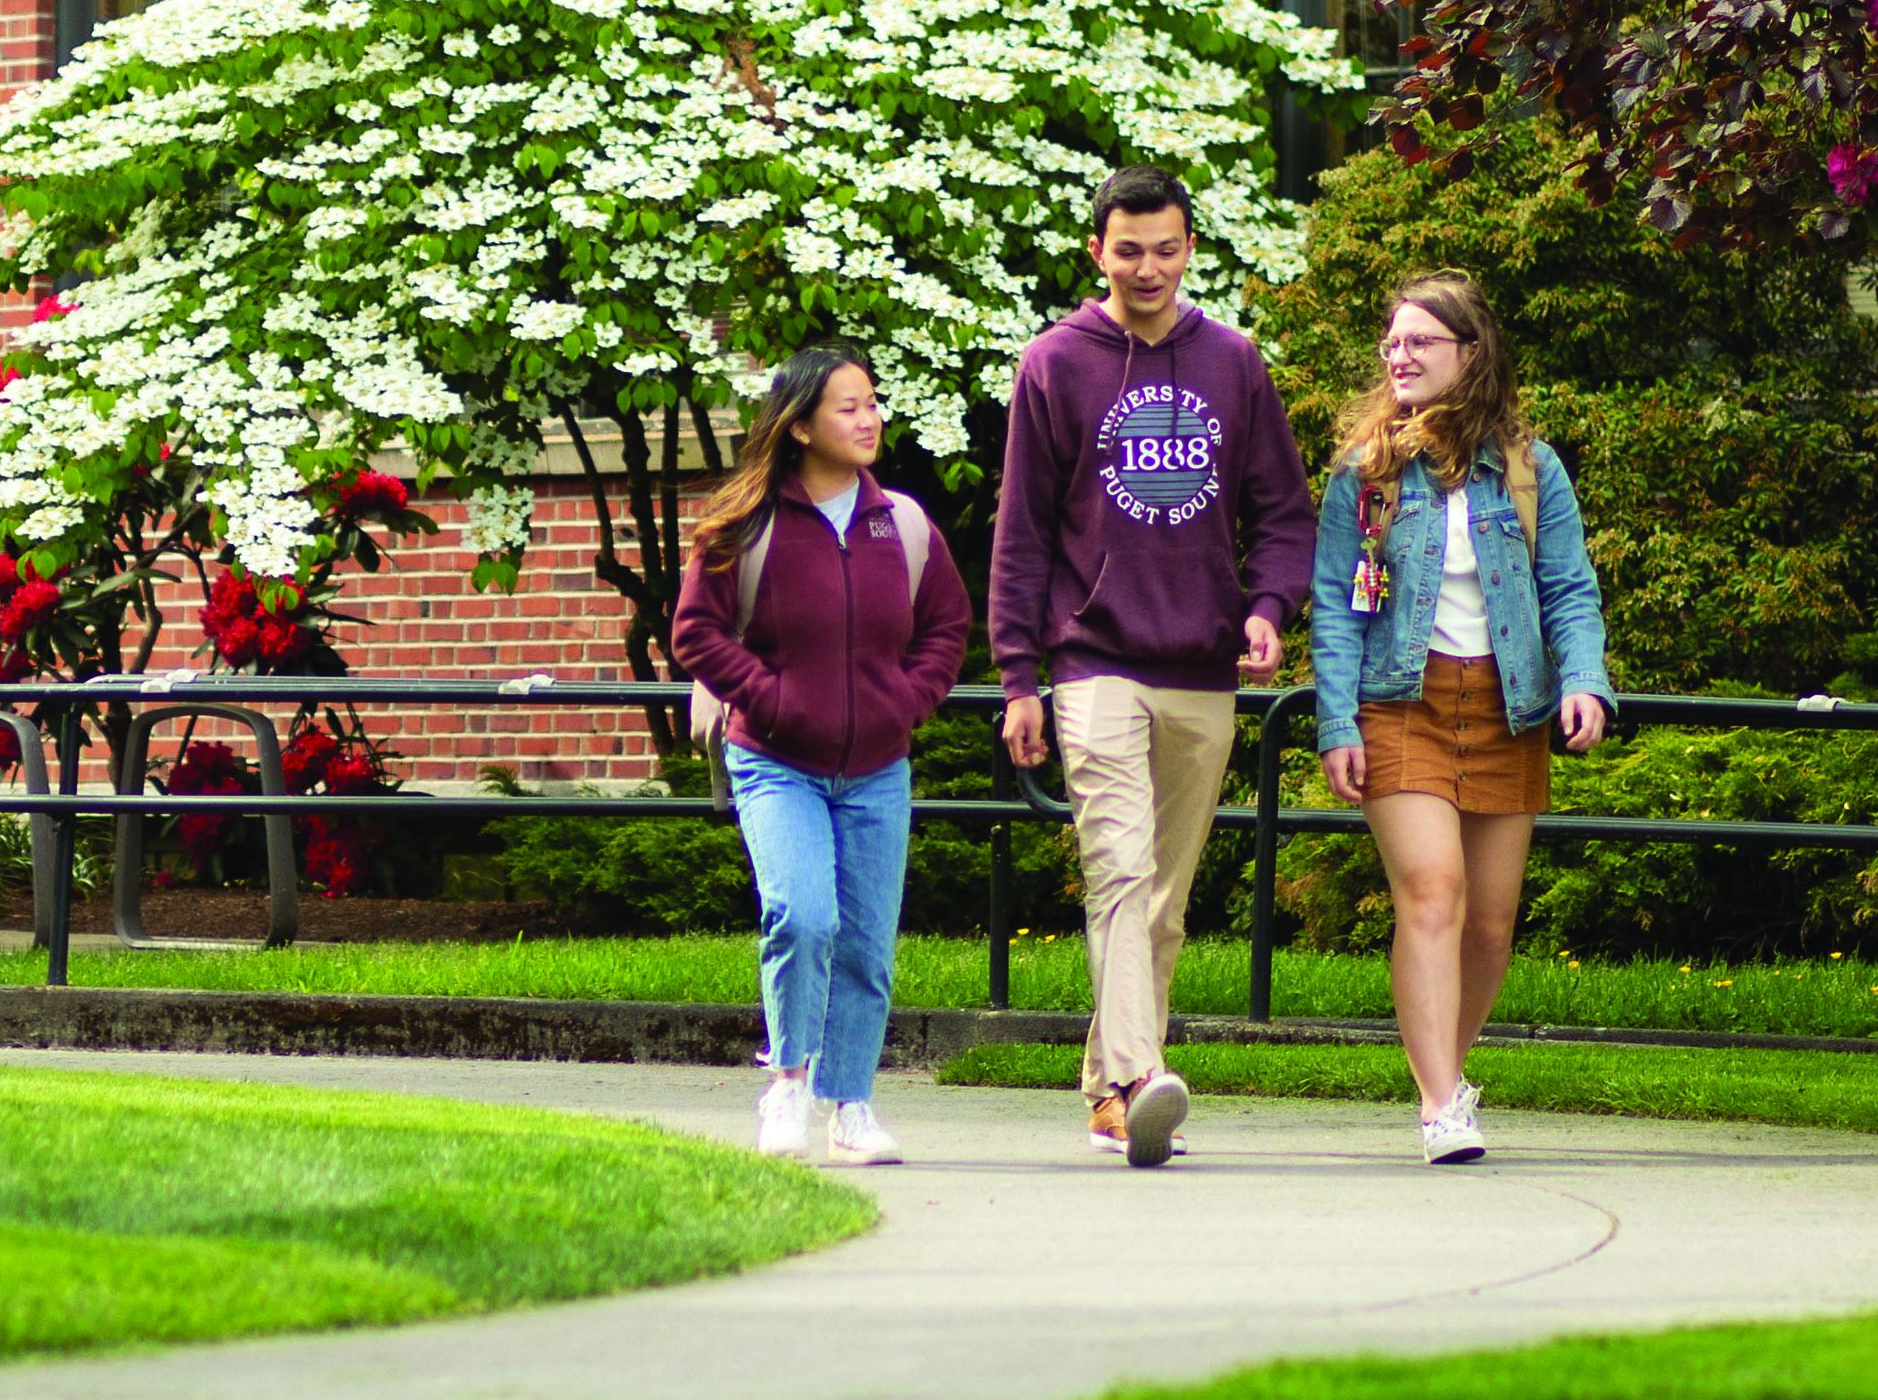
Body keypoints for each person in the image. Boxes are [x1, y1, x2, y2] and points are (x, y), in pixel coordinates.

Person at [990, 165, 1310, 1169]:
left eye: (1165, 248)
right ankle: (1139, 1082)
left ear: (1188, 250)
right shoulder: (1055, 365)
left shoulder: (1235, 362)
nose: (1148, 267)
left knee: (1160, 901)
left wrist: (1267, 607)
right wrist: (1017, 678)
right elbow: (1021, 534)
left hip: (1203, 669)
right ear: (1098, 253)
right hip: (1095, 665)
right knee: (1120, 871)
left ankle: (1105, 1093)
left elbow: (1285, 514)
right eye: (1128, 249)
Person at [1311, 268, 1614, 1163]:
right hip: (1399, 701)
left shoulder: (1529, 467)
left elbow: (1568, 585)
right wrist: (1337, 722)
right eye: (1391, 342)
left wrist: (1584, 679)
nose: (1397, 355)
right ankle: (1441, 1104)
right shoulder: (1365, 473)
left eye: (1419, 343)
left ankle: (1449, 1067)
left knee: (1489, 921)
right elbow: (1335, 603)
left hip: (1507, 704)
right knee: (1433, 890)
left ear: (1469, 354)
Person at [671, 340, 966, 1168]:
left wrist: (905, 702)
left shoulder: (901, 524)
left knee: (868, 943)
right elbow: (693, 633)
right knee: (803, 916)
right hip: (775, 762)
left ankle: (852, 1105)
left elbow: (947, 628)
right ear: (799, 426)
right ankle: (788, 1081)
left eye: (872, 403)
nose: (868, 418)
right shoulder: (745, 526)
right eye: (848, 407)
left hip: (878, 767)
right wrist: (769, 698)